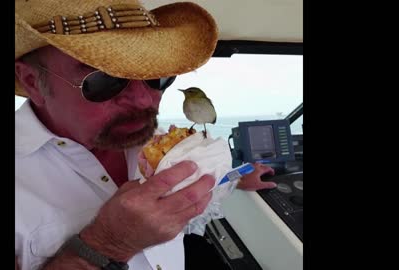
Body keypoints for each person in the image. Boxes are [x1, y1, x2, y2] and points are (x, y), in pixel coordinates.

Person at [15, 0, 276, 269]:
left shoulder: (159, 143)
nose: (144, 100)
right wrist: (107, 244)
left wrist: (239, 176)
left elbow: (200, 180)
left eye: (156, 76)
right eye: (105, 80)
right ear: (32, 82)